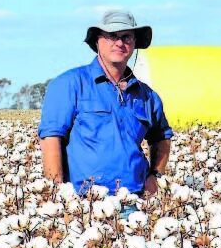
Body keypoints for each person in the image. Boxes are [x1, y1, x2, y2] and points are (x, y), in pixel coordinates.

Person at [38, 11, 173, 197]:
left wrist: (155, 175)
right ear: (97, 41)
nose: (119, 43)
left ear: (134, 43)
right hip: (83, 201)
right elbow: (51, 138)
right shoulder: (70, 83)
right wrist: (57, 193)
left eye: (126, 37)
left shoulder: (147, 96)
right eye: (112, 36)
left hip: (134, 200)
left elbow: (161, 137)